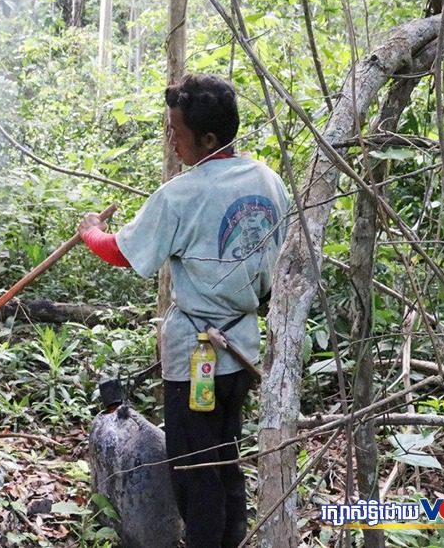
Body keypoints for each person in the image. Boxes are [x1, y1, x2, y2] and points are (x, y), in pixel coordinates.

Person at [78, 73, 290, 548]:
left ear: (209, 138)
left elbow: (124, 252)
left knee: (194, 468)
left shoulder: (180, 194)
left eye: (176, 132)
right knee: (225, 455)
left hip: (196, 358)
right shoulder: (269, 181)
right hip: (244, 349)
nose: (172, 142)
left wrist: (90, 230)